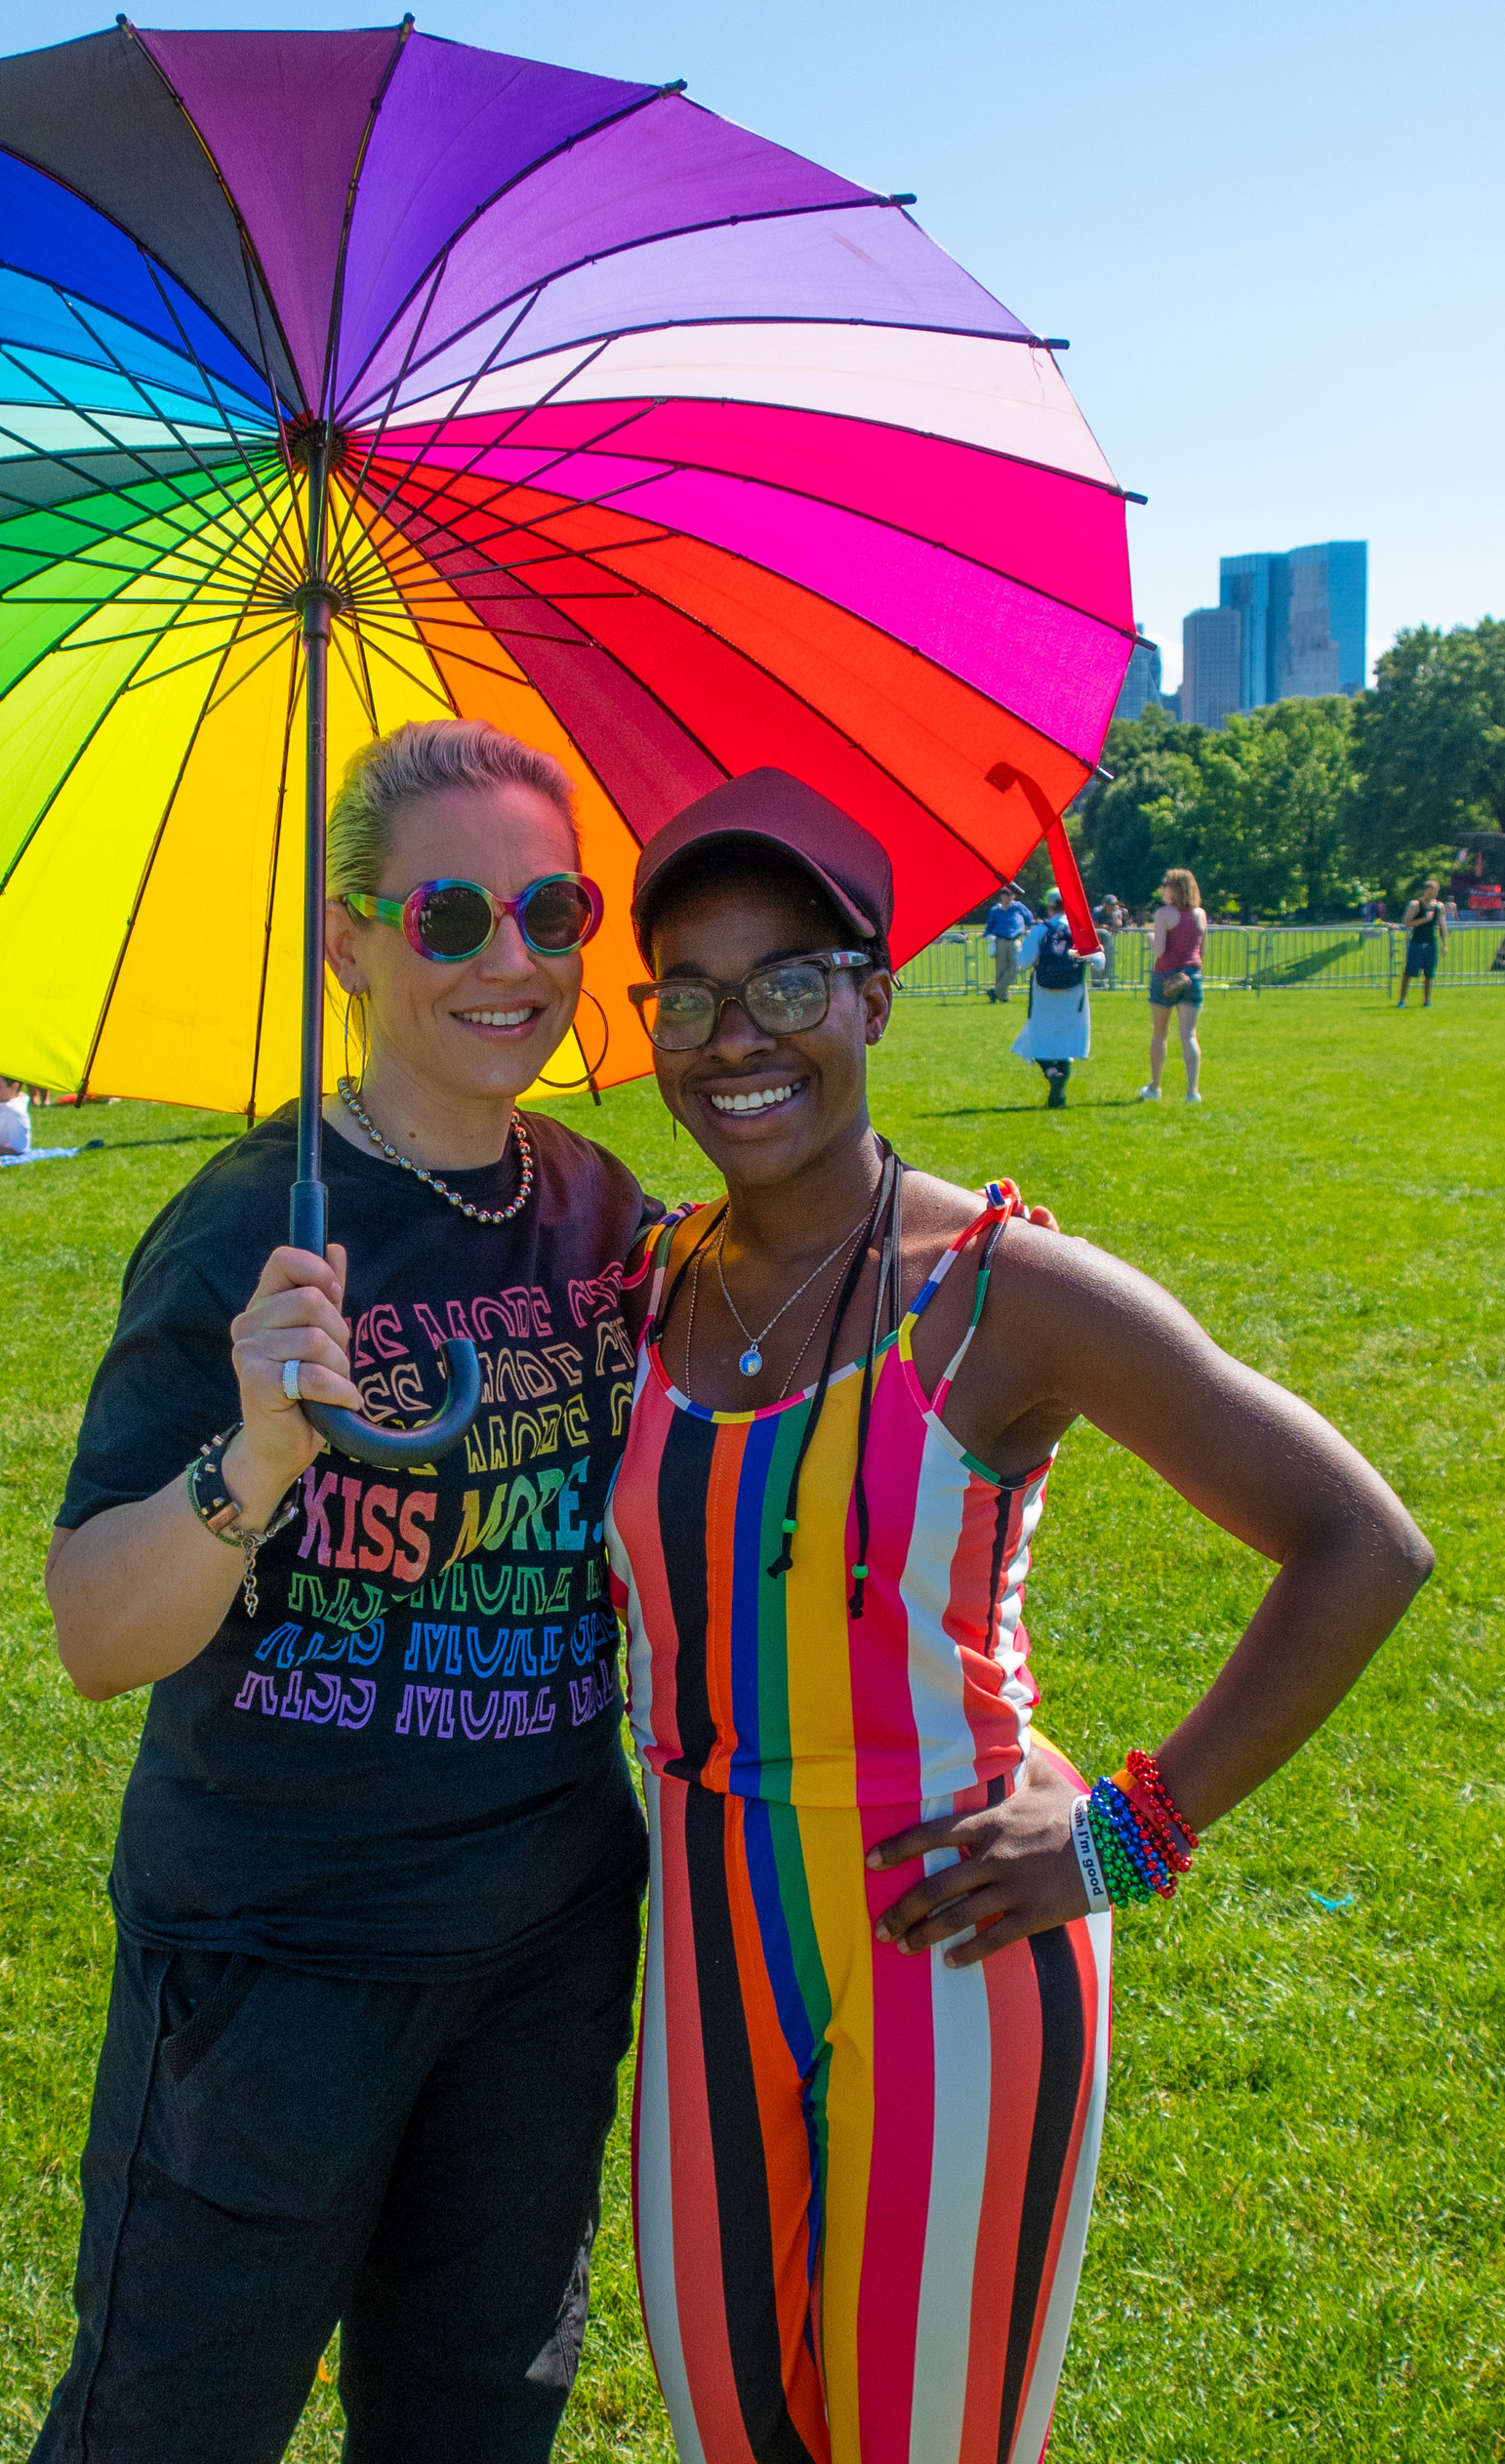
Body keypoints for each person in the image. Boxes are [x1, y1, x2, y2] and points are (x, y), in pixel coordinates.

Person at [606, 770, 1433, 2464]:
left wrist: (1132, 1829)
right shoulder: (644, 1279)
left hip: (954, 1931)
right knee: (732, 2426)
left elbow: (1358, 1541)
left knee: (929, 2438)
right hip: (700, 1931)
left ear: (877, 998)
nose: (733, 1033)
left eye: (789, 981)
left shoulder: (1002, 1288)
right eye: (687, 990)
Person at [32, 719, 656, 2464]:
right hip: (272, 1956)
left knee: (476, 2418)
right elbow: (99, 1629)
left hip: (540, 1945)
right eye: (450, 915)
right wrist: (254, 1451)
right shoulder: (247, 1229)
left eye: (555, 908)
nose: (512, 958)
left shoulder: (610, 1215)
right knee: (168, 2420)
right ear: (350, 943)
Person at [1011, 886, 1104, 1107]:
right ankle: (1059, 1088)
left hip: (1044, 993)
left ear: (1050, 906)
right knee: (1067, 1041)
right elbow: (1099, 963)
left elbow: (1023, 962)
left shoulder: (1041, 930)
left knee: (1037, 1040)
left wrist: (1018, 947)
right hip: (1073, 993)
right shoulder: (1080, 930)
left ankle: (1052, 1074)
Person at [1140, 865, 1208, 1099]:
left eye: (1165, 884)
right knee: (1189, 1035)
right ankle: (1193, 1091)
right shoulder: (1200, 914)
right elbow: (1202, 951)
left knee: (1160, 1033)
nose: (1161, 888)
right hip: (1192, 977)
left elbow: (1159, 950)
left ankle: (1155, 1088)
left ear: (1175, 888)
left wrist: (1150, 938)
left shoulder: (1164, 914)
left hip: (1165, 976)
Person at [1398, 878, 1446, 1008]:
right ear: (1425, 891)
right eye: (1432, 891)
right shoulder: (1415, 904)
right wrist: (1424, 919)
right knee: (1409, 973)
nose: (1434, 894)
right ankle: (1402, 1000)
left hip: (1431, 943)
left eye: (1436, 891)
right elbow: (1407, 923)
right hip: (1416, 942)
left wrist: (1445, 944)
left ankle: (1427, 1001)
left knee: (1429, 974)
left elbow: (1442, 925)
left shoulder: (1439, 906)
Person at [981, 885, 1034, 1003]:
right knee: (1001, 970)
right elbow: (989, 926)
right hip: (1000, 941)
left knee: (1015, 968)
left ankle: (995, 991)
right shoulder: (995, 910)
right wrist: (989, 935)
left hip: (1015, 940)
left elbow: (1029, 918)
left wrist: (1029, 927)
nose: (1008, 896)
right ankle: (1003, 997)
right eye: (1005, 894)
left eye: (1010, 894)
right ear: (1001, 896)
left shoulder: (1018, 907)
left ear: (1013, 896)